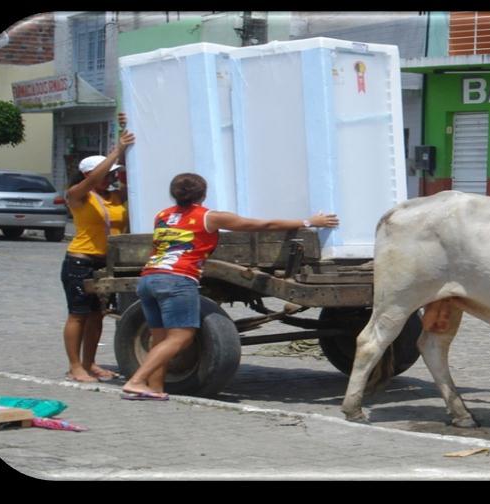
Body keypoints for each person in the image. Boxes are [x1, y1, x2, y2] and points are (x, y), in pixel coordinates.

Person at [120, 173, 340, 400]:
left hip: (149, 277)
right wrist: (309, 222)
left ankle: (155, 388)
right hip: (177, 279)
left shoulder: (162, 215)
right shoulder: (209, 217)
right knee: (181, 337)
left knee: (160, 337)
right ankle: (136, 381)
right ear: (203, 194)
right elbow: (262, 225)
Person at [60, 128, 135, 382]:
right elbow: (92, 182)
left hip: (104, 262)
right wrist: (117, 149)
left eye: (111, 174)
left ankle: (89, 363)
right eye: (106, 173)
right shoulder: (78, 195)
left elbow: (130, 177)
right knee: (78, 314)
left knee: (96, 315)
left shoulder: (114, 196)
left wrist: (126, 132)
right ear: (87, 174)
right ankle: (75, 366)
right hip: (80, 261)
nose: (109, 178)